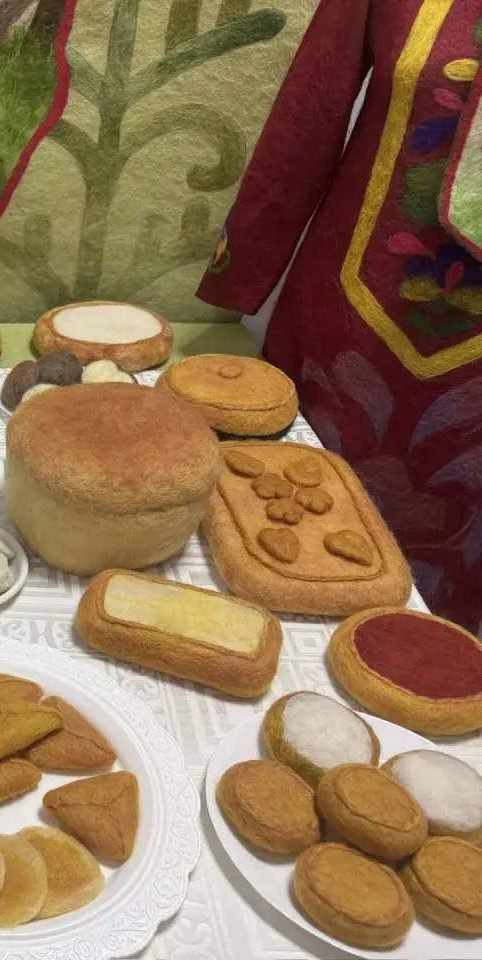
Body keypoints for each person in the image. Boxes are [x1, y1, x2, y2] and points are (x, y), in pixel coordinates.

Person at [198, 0, 482, 631]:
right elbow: (309, 110)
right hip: (351, 319)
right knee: (267, 529)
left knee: (428, 636)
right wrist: (240, 272)